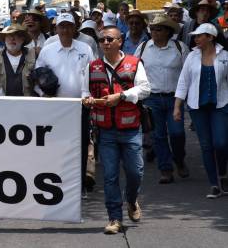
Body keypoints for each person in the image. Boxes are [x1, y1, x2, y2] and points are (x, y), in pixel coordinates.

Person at [82, 25, 151, 235]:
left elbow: (145, 89)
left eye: (110, 39)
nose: (105, 43)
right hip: (105, 131)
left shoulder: (133, 63)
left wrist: (121, 96)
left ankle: (131, 200)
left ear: (120, 41)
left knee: (135, 171)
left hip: (130, 128)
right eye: (102, 40)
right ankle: (114, 218)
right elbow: (85, 91)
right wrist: (88, 100)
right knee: (110, 176)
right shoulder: (92, 66)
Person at [36, 13, 95, 197]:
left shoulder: (85, 48)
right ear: (56, 29)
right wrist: (42, 93)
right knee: (58, 145)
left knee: (81, 145)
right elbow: (38, 76)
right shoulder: (48, 50)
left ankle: (80, 186)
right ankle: (58, 184)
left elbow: (93, 74)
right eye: (61, 26)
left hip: (80, 106)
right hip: (56, 106)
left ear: (74, 28)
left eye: (68, 26)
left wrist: (89, 96)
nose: (65, 30)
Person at [174, 23, 228, 198]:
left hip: (220, 105)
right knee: (206, 146)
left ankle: (223, 173)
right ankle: (214, 184)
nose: (195, 39)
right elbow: (183, 81)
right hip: (198, 107)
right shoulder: (191, 57)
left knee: (220, 143)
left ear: (210, 37)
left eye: (199, 36)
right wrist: (177, 106)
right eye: (195, 36)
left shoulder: (225, 56)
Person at [134, 15, 190, 184]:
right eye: (152, 29)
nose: (154, 32)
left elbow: (188, 73)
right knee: (158, 136)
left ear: (168, 31)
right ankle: (165, 169)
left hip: (175, 98)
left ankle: (179, 160)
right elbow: (135, 69)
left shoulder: (180, 48)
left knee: (177, 133)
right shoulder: (143, 47)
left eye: (159, 29)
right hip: (151, 99)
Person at [0, 23, 36, 96]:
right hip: (2, 103)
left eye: (17, 36)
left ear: (22, 39)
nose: (12, 39)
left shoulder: (32, 54)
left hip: (27, 102)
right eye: (9, 36)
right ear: (4, 39)